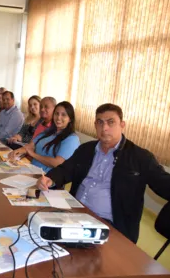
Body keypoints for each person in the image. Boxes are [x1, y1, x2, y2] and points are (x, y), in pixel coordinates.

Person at [36, 103, 170, 243]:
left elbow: (163, 183)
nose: (104, 128)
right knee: (39, 234)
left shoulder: (140, 157)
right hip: (74, 212)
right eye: (100, 122)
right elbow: (65, 169)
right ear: (95, 125)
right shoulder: (86, 149)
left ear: (122, 125)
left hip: (111, 226)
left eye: (111, 122)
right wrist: (50, 179)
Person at [9, 101, 80, 173]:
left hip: (47, 179)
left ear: (70, 119)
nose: (58, 117)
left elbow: (57, 163)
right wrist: (18, 151)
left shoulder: (72, 139)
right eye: (56, 114)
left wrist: (33, 155)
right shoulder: (48, 131)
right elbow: (31, 145)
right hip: (31, 171)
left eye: (63, 115)